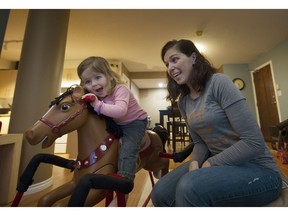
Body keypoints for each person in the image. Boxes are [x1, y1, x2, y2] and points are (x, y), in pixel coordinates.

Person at [151, 39, 288, 207]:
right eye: (166, 64)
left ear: (193, 57)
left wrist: (210, 163)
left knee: (190, 187)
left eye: (175, 59)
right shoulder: (184, 102)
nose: (170, 68)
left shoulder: (219, 83)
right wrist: (195, 163)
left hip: (258, 168)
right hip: (220, 165)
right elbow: (200, 142)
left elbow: (254, 142)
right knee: (160, 193)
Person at [77, 56, 148, 201]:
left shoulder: (121, 90)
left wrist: (97, 104)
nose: (94, 84)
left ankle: (124, 187)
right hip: (117, 124)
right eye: (88, 82)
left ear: (109, 76)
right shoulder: (95, 96)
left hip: (134, 122)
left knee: (127, 149)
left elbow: (120, 111)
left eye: (97, 77)